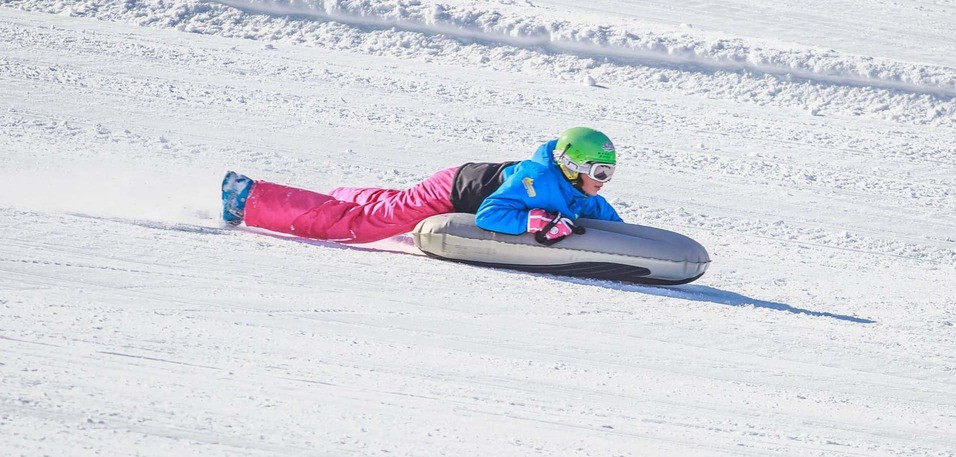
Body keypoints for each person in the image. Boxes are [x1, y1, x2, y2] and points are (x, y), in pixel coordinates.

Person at [221, 126, 623, 245]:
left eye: (608, 174)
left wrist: (633, 238)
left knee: (390, 206)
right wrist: (531, 221)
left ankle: (346, 193)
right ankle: (248, 198)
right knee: (358, 227)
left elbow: (602, 216)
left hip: (465, 178)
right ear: (571, 165)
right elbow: (491, 215)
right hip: (448, 192)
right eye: (599, 173)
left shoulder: (574, 187)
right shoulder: (537, 182)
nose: (603, 183)